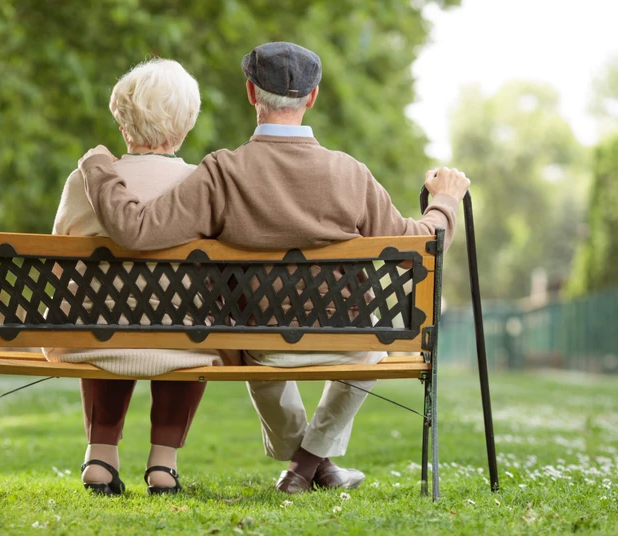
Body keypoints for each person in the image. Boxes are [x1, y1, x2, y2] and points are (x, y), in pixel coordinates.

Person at [77, 42, 471, 494]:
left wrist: (99, 168)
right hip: (349, 340)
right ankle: (310, 463)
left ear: (251, 92)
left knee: (256, 341)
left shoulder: (223, 171)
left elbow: (138, 230)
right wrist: (445, 200)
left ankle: (306, 465)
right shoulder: (350, 174)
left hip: (262, 345)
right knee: (373, 346)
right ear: (312, 97)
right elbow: (423, 245)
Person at [45, 58, 224, 496]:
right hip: (183, 342)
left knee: (102, 311)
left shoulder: (83, 182)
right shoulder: (200, 184)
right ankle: (163, 464)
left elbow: (58, 261)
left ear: (123, 122)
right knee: (186, 321)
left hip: (93, 338)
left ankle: (99, 457)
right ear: (186, 123)